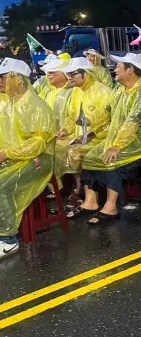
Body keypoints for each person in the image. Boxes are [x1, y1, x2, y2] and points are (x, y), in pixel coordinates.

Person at [80, 53, 141, 225]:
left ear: (130, 70)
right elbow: (107, 112)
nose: (115, 69)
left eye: (119, 66)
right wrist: (90, 125)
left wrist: (117, 146)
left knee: (111, 160)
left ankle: (111, 206)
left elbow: (135, 121)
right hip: (120, 138)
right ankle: (91, 201)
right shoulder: (119, 90)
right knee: (89, 156)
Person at [0, 59, 57, 259]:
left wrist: (7, 154)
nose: (1, 81)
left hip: (39, 160)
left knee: (2, 186)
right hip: (17, 158)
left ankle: (8, 239)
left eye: (4, 77)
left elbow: (38, 143)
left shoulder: (36, 105)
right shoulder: (11, 104)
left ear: (20, 80)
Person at [58, 56, 115, 213]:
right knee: (57, 149)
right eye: (68, 74)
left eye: (73, 74)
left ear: (86, 73)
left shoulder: (104, 92)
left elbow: (109, 122)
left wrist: (90, 134)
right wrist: (64, 131)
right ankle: (80, 190)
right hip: (81, 137)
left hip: (100, 138)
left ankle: (88, 196)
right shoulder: (76, 92)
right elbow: (71, 117)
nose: (69, 78)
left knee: (78, 152)